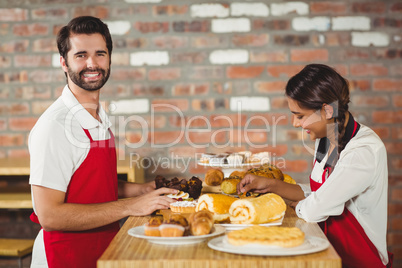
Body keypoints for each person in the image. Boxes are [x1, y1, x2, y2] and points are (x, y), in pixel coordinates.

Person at [28, 16, 177, 268]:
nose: (92, 63)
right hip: (64, 258)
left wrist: (141, 191)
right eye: (81, 55)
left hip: (103, 251)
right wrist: (131, 206)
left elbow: (90, 186)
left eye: (100, 54)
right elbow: (50, 215)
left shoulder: (97, 115)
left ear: (109, 59)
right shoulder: (55, 126)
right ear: (63, 63)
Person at [238, 64, 393, 268]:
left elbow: (314, 209)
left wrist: (304, 206)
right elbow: (318, 195)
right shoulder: (326, 138)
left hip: (360, 260)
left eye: (300, 116)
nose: (294, 123)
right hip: (329, 250)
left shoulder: (363, 151)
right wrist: (269, 185)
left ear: (327, 110)